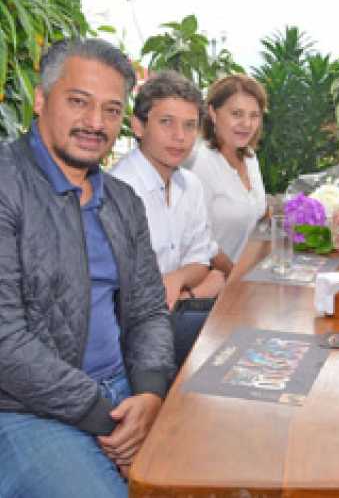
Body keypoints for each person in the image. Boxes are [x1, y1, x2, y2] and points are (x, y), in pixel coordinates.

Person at [0, 39, 173, 497]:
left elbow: (149, 310)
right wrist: (106, 417)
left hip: (123, 392)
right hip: (22, 408)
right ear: (41, 99)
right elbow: (4, 340)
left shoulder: (122, 201)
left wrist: (150, 393)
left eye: (112, 110)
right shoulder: (6, 184)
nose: (96, 123)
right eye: (79, 102)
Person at [111, 70, 223, 367]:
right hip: (130, 337)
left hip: (177, 313)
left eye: (189, 125)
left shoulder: (190, 184)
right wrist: (196, 288)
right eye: (166, 122)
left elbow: (200, 261)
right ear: (138, 126)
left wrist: (178, 280)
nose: (180, 136)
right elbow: (125, 295)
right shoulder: (119, 190)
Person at [185, 74, 267, 275]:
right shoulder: (201, 163)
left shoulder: (249, 157)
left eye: (254, 115)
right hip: (212, 281)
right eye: (237, 114)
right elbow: (199, 240)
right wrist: (234, 277)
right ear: (213, 112)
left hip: (245, 273)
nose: (247, 124)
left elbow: (258, 211)